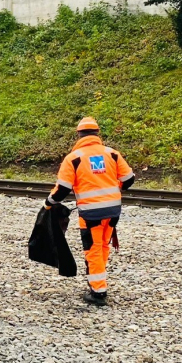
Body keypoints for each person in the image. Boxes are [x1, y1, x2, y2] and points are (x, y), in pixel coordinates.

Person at [44, 117, 135, 306]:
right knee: (102, 246)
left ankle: (98, 291)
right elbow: (129, 179)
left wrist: (49, 203)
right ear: (97, 134)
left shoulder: (74, 158)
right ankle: (98, 280)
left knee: (92, 249)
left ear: (79, 135)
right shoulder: (112, 154)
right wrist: (113, 189)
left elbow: (62, 189)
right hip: (112, 210)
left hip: (90, 213)